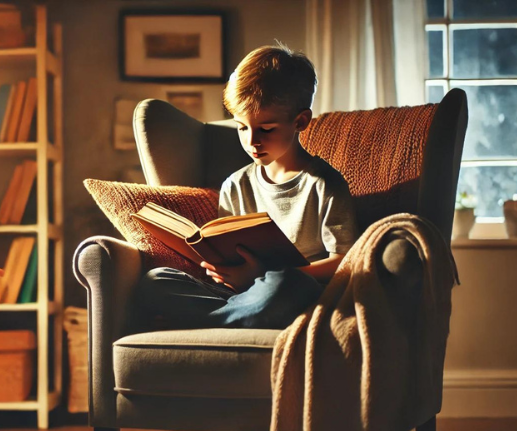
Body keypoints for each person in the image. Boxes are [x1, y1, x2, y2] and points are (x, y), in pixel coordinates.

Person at [137, 43, 359, 330]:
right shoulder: (236, 184)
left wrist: (263, 274)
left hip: (293, 293)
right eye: (242, 127)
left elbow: (344, 262)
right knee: (158, 281)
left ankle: (210, 323)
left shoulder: (324, 184)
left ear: (300, 121)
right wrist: (222, 269)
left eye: (266, 129)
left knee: (285, 283)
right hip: (240, 296)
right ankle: (231, 318)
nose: (252, 141)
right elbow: (225, 249)